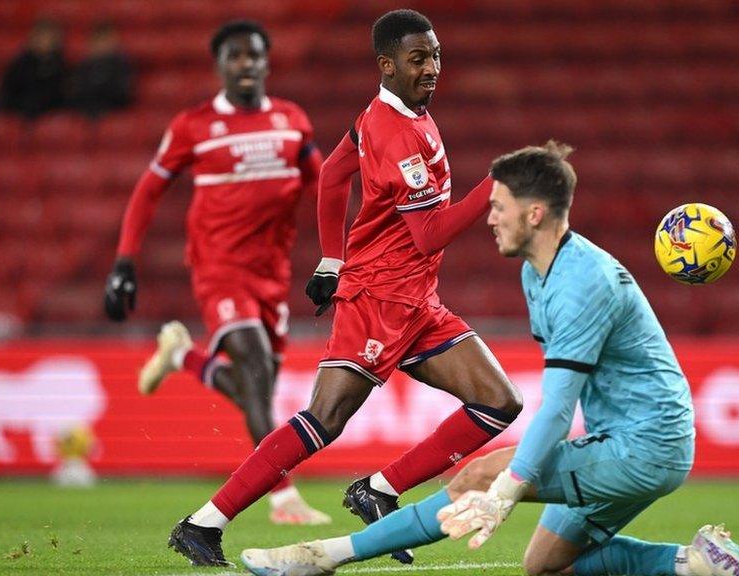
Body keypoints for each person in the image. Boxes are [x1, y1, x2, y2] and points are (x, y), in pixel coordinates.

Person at [240, 142, 739, 576]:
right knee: (545, 564)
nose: (488, 218)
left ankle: (322, 558)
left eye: (499, 207)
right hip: (631, 438)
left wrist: (506, 488)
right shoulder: (536, 268)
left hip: (644, 446)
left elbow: (558, 410)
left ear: (535, 212)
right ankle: (702, 565)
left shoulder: (582, 285)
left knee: (478, 476)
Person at [164, 9, 523, 567]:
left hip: (418, 301)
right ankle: (202, 524)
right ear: (386, 65)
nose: (431, 67)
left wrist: (331, 257)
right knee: (324, 420)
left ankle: (379, 489)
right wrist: (494, 186)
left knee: (500, 401)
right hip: (379, 299)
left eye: (435, 55)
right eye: (417, 58)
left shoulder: (392, 115)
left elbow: (333, 174)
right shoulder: (396, 132)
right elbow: (428, 234)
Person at [103, 20, 329, 527]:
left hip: (272, 273)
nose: (246, 64)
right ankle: (283, 498)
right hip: (218, 268)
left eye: (254, 55)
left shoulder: (292, 121)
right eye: (235, 56)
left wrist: (339, 251)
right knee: (253, 371)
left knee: (257, 386)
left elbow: (324, 186)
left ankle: (182, 354)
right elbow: (148, 189)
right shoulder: (195, 125)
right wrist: (124, 259)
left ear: (267, 63)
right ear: (220, 65)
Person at [0, 18, 68, 119]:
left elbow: (62, 100)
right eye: (41, 36)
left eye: (49, 37)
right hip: (18, 116)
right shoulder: (19, 65)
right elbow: (6, 95)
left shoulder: (61, 67)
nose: (45, 41)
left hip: (48, 120)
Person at [71, 21, 134, 118]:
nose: (103, 45)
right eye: (99, 40)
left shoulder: (122, 65)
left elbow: (123, 94)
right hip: (86, 112)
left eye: (106, 40)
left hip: (115, 112)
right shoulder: (84, 66)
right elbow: (77, 93)